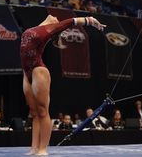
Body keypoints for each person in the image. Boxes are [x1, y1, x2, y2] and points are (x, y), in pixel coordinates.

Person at [21, 14, 106, 155]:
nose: (55, 17)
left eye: (57, 19)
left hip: (38, 70)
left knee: (42, 111)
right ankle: (34, 148)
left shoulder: (50, 29)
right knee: (34, 113)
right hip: (26, 73)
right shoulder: (37, 28)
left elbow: (70, 22)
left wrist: (90, 20)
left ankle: (42, 149)